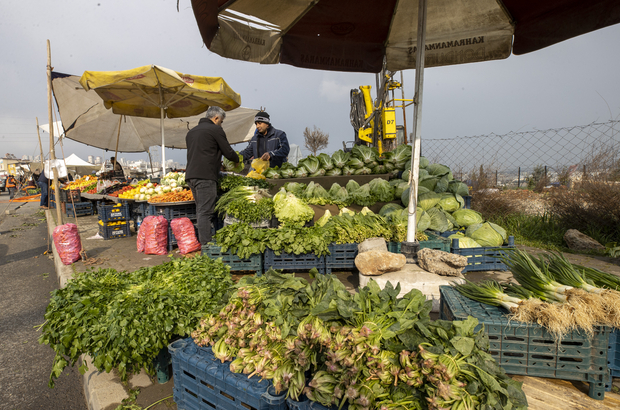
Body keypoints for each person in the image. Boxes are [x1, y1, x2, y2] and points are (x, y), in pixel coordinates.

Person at [186, 106, 240, 249]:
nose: (221, 124)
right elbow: (228, 151)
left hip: (191, 175)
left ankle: (206, 240)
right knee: (205, 212)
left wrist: (217, 162)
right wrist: (237, 160)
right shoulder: (215, 130)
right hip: (205, 176)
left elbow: (202, 152)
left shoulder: (191, 132)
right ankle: (207, 246)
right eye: (221, 121)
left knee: (201, 209)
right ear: (216, 118)